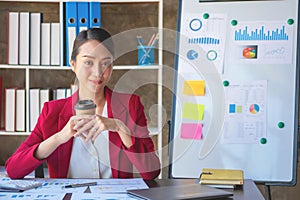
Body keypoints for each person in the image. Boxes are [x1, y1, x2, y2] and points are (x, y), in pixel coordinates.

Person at [5, 28, 161, 180]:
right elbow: (13, 169)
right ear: (73, 64)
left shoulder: (130, 106)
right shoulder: (52, 111)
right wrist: (59, 138)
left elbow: (151, 172)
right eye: (88, 62)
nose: (98, 72)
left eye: (106, 63)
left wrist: (119, 127)